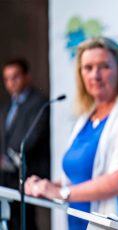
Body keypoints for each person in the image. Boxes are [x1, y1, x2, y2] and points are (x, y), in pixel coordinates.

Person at [25, 37, 118, 229]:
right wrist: (46, 187)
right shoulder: (85, 119)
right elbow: (80, 177)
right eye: (88, 68)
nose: (95, 75)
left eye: (104, 66)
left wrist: (60, 192)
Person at [0, 58, 51, 230]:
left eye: (15, 77)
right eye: (7, 79)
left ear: (27, 76)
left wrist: (7, 157)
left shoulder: (39, 103)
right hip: (4, 177)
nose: (11, 83)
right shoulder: (7, 108)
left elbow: (31, 137)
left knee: (23, 222)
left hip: (25, 175)